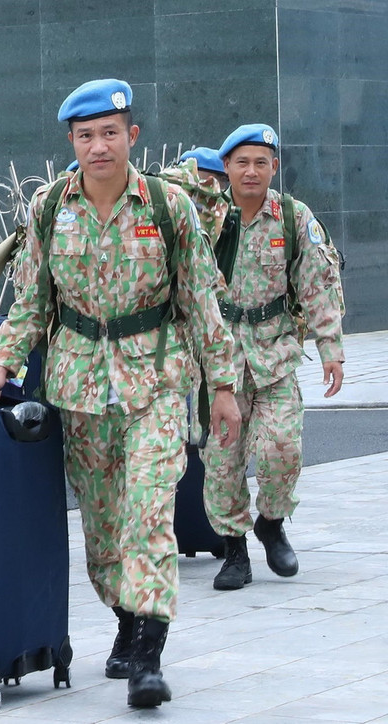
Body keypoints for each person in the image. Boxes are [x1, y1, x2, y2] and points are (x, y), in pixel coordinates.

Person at [0, 79, 241, 708]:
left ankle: (149, 652)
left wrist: (223, 385)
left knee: (149, 512)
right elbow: (33, 300)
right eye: (86, 136)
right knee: (102, 527)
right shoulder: (48, 207)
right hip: (81, 386)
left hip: (157, 381)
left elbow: (202, 302)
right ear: (71, 141)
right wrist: (3, 365)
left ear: (132, 136)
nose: (99, 146)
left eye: (110, 133)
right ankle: (125, 615)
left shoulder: (169, 207)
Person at [201, 124, 345, 592]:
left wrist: (331, 349)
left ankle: (271, 521)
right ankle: (235, 550)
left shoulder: (292, 217)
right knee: (222, 460)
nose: (251, 171)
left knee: (283, 448)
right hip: (220, 357)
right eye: (241, 162)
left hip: (276, 351)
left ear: (274, 167)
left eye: (261, 162)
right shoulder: (208, 218)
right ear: (225, 167)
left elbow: (318, 282)